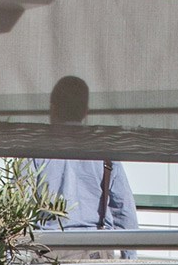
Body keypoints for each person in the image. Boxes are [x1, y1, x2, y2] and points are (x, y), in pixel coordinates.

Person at [36, 76, 138, 237]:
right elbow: (123, 208)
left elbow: (18, 201)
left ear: (52, 108)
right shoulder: (104, 151)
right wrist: (130, 250)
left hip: (49, 244)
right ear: (85, 112)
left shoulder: (34, 151)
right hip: (97, 242)